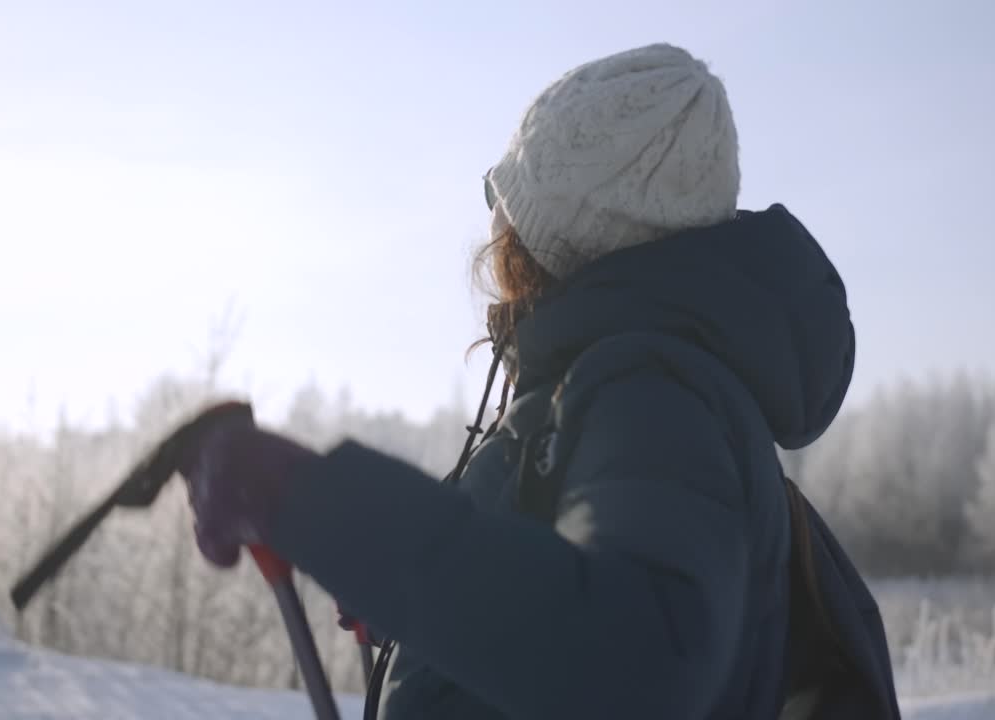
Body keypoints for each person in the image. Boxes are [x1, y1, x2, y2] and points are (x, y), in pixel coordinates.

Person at [178, 43, 902, 720]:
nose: (493, 231)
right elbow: (563, 593)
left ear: (558, 232)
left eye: (509, 203)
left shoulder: (650, 391)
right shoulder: (627, 385)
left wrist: (319, 504)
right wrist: (426, 617)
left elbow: (635, 657)